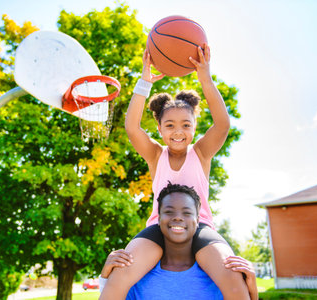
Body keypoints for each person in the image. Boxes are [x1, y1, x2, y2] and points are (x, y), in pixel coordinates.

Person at [99, 44, 250, 299]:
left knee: (233, 275)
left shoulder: (200, 152)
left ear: (194, 127)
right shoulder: (156, 155)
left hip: (199, 226)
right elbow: (132, 128)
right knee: (120, 272)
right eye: (169, 125)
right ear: (159, 128)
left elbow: (223, 124)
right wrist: (144, 83)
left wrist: (205, 77)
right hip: (160, 226)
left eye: (185, 125)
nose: (178, 131)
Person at [99, 182, 258, 300]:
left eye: (186, 212)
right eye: (169, 211)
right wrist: (105, 279)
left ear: (198, 220)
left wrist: (252, 289)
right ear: (159, 219)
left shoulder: (216, 277)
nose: (177, 217)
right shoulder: (139, 278)